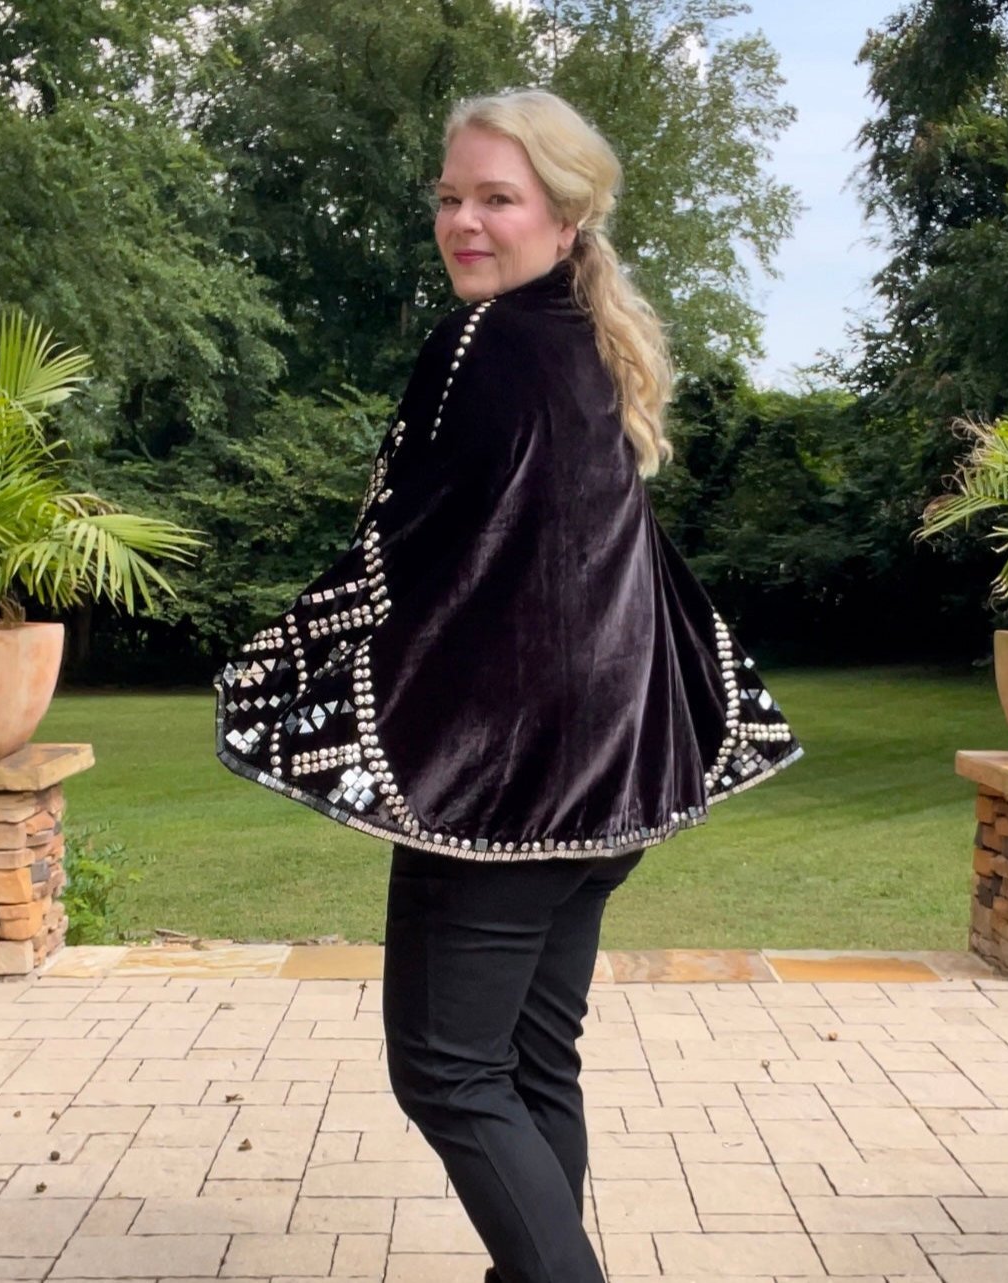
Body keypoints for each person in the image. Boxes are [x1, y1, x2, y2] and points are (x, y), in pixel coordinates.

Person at [215, 88, 803, 1283]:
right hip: (614, 777)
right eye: (450, 198)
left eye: (497, 198)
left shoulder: (482, 342)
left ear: (565, 217)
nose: (464, 223)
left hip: (502, 784)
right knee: (534, 1064)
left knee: (449, 1070)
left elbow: (401, 551)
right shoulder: (584, 344)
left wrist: (269, 666)